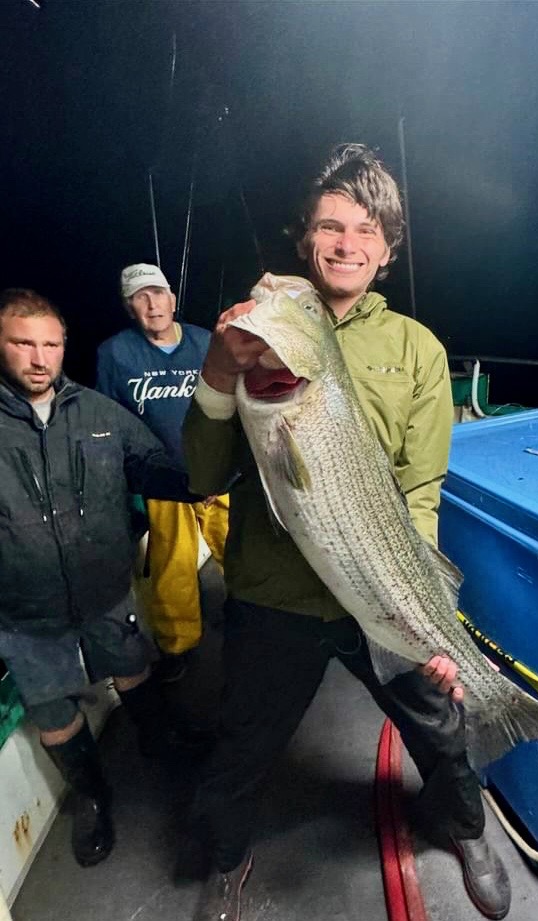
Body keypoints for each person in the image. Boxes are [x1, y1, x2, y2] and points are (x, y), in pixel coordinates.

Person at [182, 145, 511, 921]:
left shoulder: (416, 350)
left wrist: (420, 605)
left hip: (381, 597)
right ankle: (228, 859)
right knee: (242, 745)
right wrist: (221, 371)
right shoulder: (258, 333)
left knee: (443, 731)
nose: (345, 242)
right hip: (275, 596)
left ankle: (465, 828)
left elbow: (420, 491)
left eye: (366, 229)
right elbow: (201, 474)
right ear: (306, 238)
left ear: (387, 250)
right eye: (330, 225)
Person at [0, 288, 207, 869]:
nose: (39, 358)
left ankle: (158, 743)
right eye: (22, 343)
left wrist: (216, 470)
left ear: (65, 346)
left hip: (104, 590)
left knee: (133, 666)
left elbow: (155, 467)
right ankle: (92, 795)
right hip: (22, 610)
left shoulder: (97, 412)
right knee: (52, 711)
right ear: (2, 346)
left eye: (51, 344)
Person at [96, 264, 229, 682]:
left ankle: (256, 628)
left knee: (243, 553)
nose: (152, 304)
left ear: (173, 298)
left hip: (220, 476)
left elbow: (232, 405)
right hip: (162, 483)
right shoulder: (115, 354)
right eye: (140, 297)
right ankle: (179, 649)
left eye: (158, 293)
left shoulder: (206, 342)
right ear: (128, 307)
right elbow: (107, 423)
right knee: (172, 569)